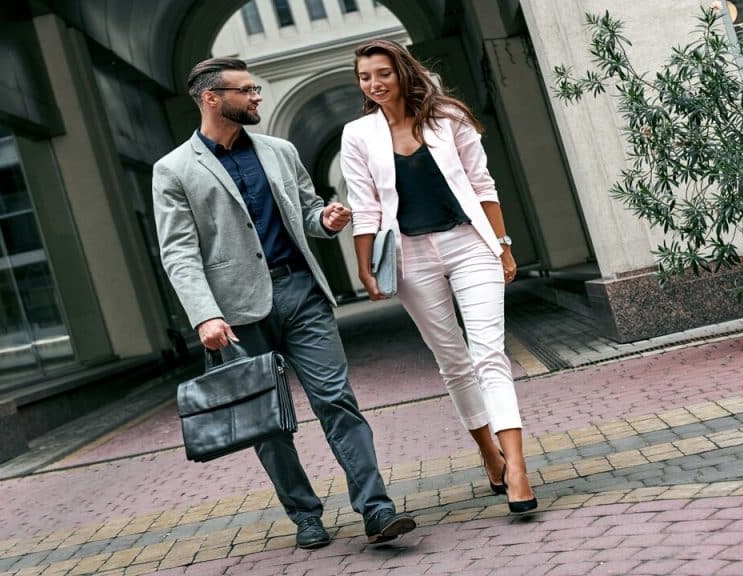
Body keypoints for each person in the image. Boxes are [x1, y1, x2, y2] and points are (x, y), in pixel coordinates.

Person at [152, 57, 416, 549]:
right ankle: (304, 514)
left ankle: (376, 508)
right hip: (233, 314)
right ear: (211, 98)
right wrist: (204, 314)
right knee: (266, 422)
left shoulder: (279, 150)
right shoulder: (174, 170)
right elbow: (179, 252)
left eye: (256, 88)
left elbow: (309, 209)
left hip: (301, 294)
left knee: (337, 400)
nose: (257, 96)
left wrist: (327, 219)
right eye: (246, 90)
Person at [340, 39, 537, 514]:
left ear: (403, 71)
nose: (375, 84)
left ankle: (518, 470)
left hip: (469, 243)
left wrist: (503, 245)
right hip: (410, 258)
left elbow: (482, 184)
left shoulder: (448, 118)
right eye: (366, 77)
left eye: (382, 73)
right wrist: (366, 268)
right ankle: (487, 450)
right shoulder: (358, 134)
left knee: (489, 353)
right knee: (452, 359)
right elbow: (365, 207)